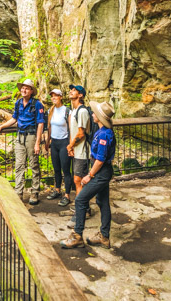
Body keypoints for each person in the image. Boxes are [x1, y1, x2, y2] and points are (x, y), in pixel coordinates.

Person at [60, 100, 116, 249]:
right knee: (102, 202)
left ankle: (77, 235)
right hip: (101, 171)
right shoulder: (100, 130)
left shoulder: (105, 134)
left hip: (101, 172)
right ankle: (104, 236)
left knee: (80, 199)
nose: (92, 114)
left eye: (95, 113)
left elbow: (100, 160)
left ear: (99, 117)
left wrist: (89, 175)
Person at [0, 79, 45, 205]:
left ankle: (34, 192)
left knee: (34, 164)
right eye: (22, 88)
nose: (23, 90)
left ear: (31, 91)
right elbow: (14, 118)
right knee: (19, 165)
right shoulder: (18, 103)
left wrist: (37, 143)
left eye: (27, 88)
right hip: (20, 136)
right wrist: (1, 127)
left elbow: (41, 124)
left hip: (31, 136)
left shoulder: (37, 105)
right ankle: (19, 192)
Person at [66, 84, 92, 226]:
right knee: (78, 180)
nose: (71, 91)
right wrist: (71, 148)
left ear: (80, 95)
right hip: (77, 150)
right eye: (71, 90)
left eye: (74, 90)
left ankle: (80, 209)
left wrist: (70, 145)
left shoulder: (82, 111)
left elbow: (81, 133)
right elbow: (73, 131)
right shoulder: (73, 110)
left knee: (78, 180)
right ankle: (84, 207)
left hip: (83, 151)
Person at [45, 89, 72, 206]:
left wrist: (70, 145)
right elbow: (49, 127)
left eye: (56, 96)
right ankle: (57, 190)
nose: (54, 98)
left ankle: (67, 195)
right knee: (56, 169)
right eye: (52, 96)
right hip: (54, 142)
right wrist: (47, 142)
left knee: (65, 170)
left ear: (61, 97)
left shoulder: (67, 111)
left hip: (64, 142)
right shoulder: (51, 110)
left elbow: (71, 128)